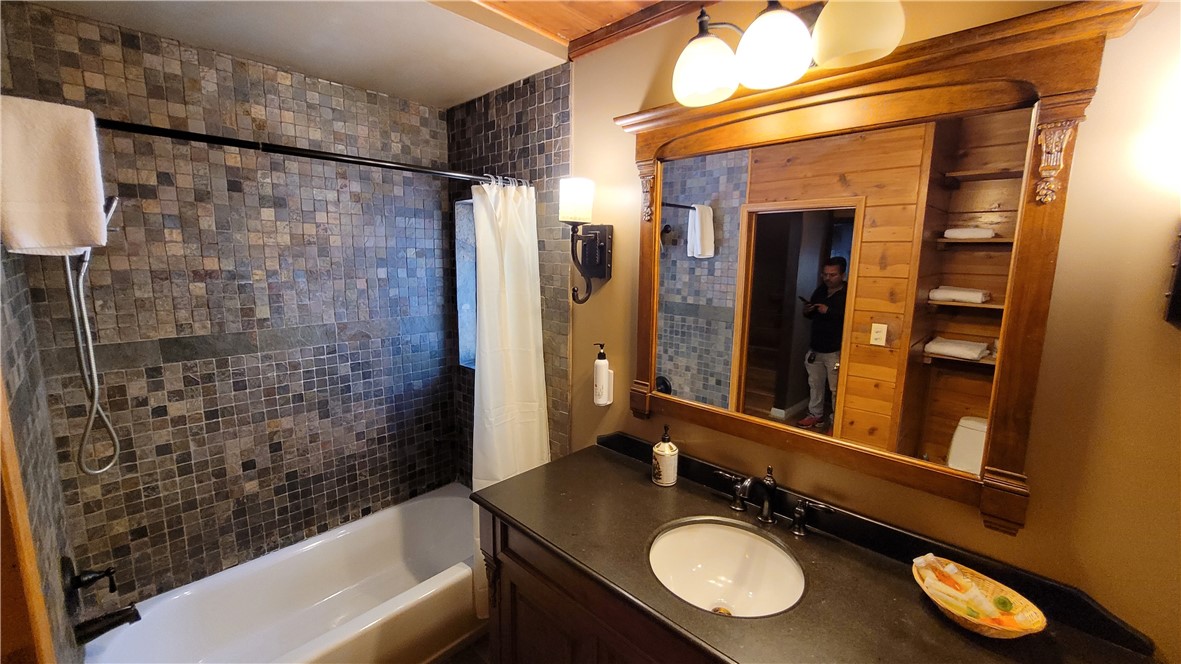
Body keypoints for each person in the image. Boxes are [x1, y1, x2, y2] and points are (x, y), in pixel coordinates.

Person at [798, 257, 847, 429]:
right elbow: (810, 315)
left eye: (832, 275)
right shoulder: (820, 290)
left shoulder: (848, 293)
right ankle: (815, 415)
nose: (828, 278)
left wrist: (829, 311)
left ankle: (837, 421)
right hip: (816, 347)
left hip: (836, 349)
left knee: (836, 389)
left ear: (842, 274)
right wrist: (808, 310)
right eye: (825, 274)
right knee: (815, 384)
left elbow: (849, 318)